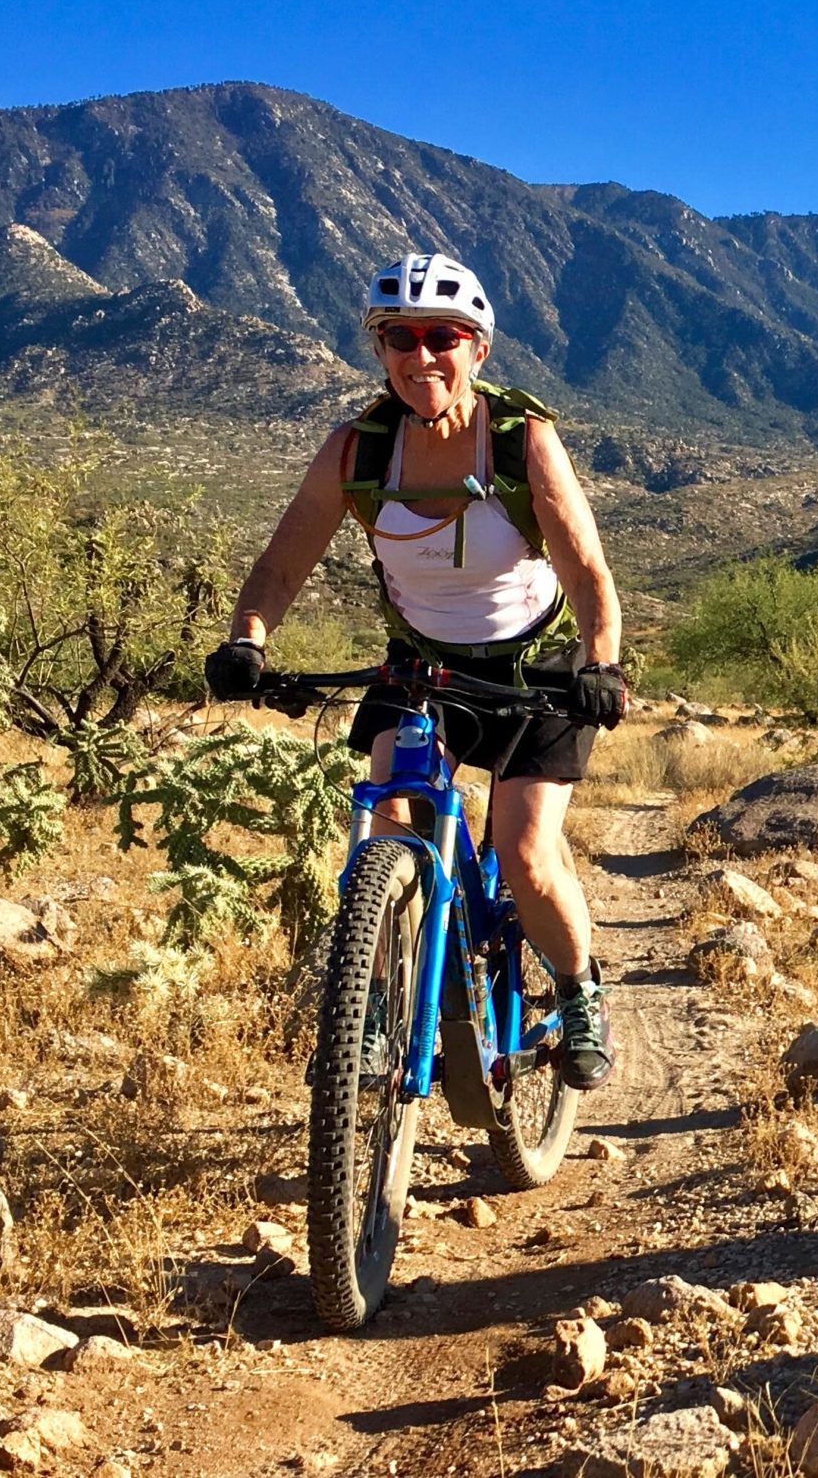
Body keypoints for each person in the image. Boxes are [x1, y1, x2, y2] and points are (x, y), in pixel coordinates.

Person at [204, 252, 628, 1090]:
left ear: (477, 350)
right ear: (380, 349)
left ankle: (580, 993)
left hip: (532, 673)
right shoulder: (357, 451)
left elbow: (588, 573)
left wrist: (602, 663)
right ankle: (378, 1007)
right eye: (401, 337)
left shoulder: (520, 443)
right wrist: (249, 638)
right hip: (422, 669)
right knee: (389, 817)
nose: (421, 355)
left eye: (443, 336)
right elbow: (283, 563)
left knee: (527, 849)